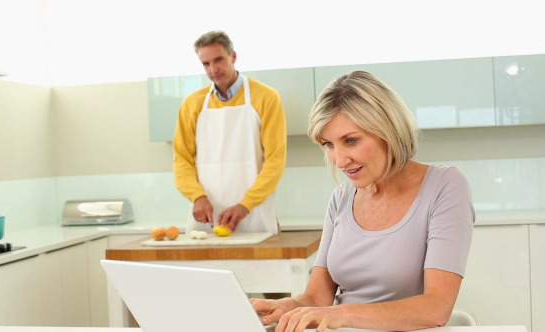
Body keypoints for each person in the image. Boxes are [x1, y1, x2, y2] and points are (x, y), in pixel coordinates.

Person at [251, 71, 475, 331]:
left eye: (351, 141)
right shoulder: (342, 198)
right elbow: (316, 298)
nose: (339, 159)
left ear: (388, 130)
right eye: (329, 144)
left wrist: (341, 314)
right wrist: (287, 307)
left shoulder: (445, 185)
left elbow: (435, 309)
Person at [172, 30, 287, 235]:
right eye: (206, 64)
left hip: (255, 215)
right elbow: (182, 160)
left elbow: (275, 160)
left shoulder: (266, 97)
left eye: (219, 60)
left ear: (233, 57)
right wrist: (198, 197)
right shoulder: (192, 104)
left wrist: (245, 205)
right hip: (206, 219)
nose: (213, 69)